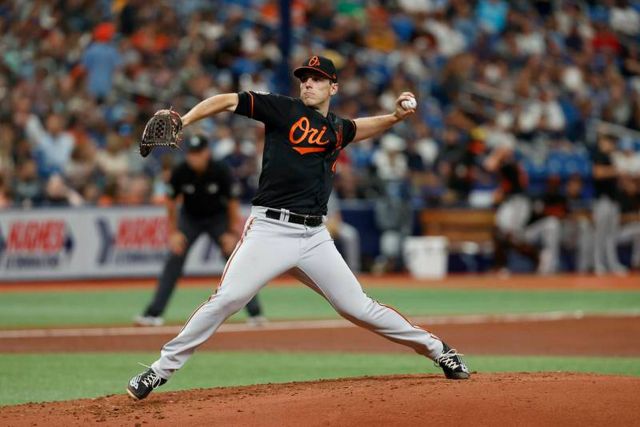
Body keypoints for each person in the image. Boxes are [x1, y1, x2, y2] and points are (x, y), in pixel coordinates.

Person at [127, 56, 469, 401]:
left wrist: (394, 118)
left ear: (333, 87)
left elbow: (358, 128)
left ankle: (439, 350)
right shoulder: (282, 109)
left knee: (358, 307)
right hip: (270, 231)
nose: (308, 83)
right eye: (305, 78)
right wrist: (185, 120)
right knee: (227, 299)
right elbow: (227, 100)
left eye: (317, 79)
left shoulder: (336, 129)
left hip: (315, 237)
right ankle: (159, 370)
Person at [134, 135, 264, 327]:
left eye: (198, 153)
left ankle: (256, 313)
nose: (194, 158)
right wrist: (174, 232)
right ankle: (153, 314)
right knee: (174, 258)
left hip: (218, 218)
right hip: (190, 219)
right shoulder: (181, 171)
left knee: (235, 259)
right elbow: (170, 201)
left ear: (207, 153)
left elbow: (232, 203)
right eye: (191, 154)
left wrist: (231, 232)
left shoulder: (220, 170)